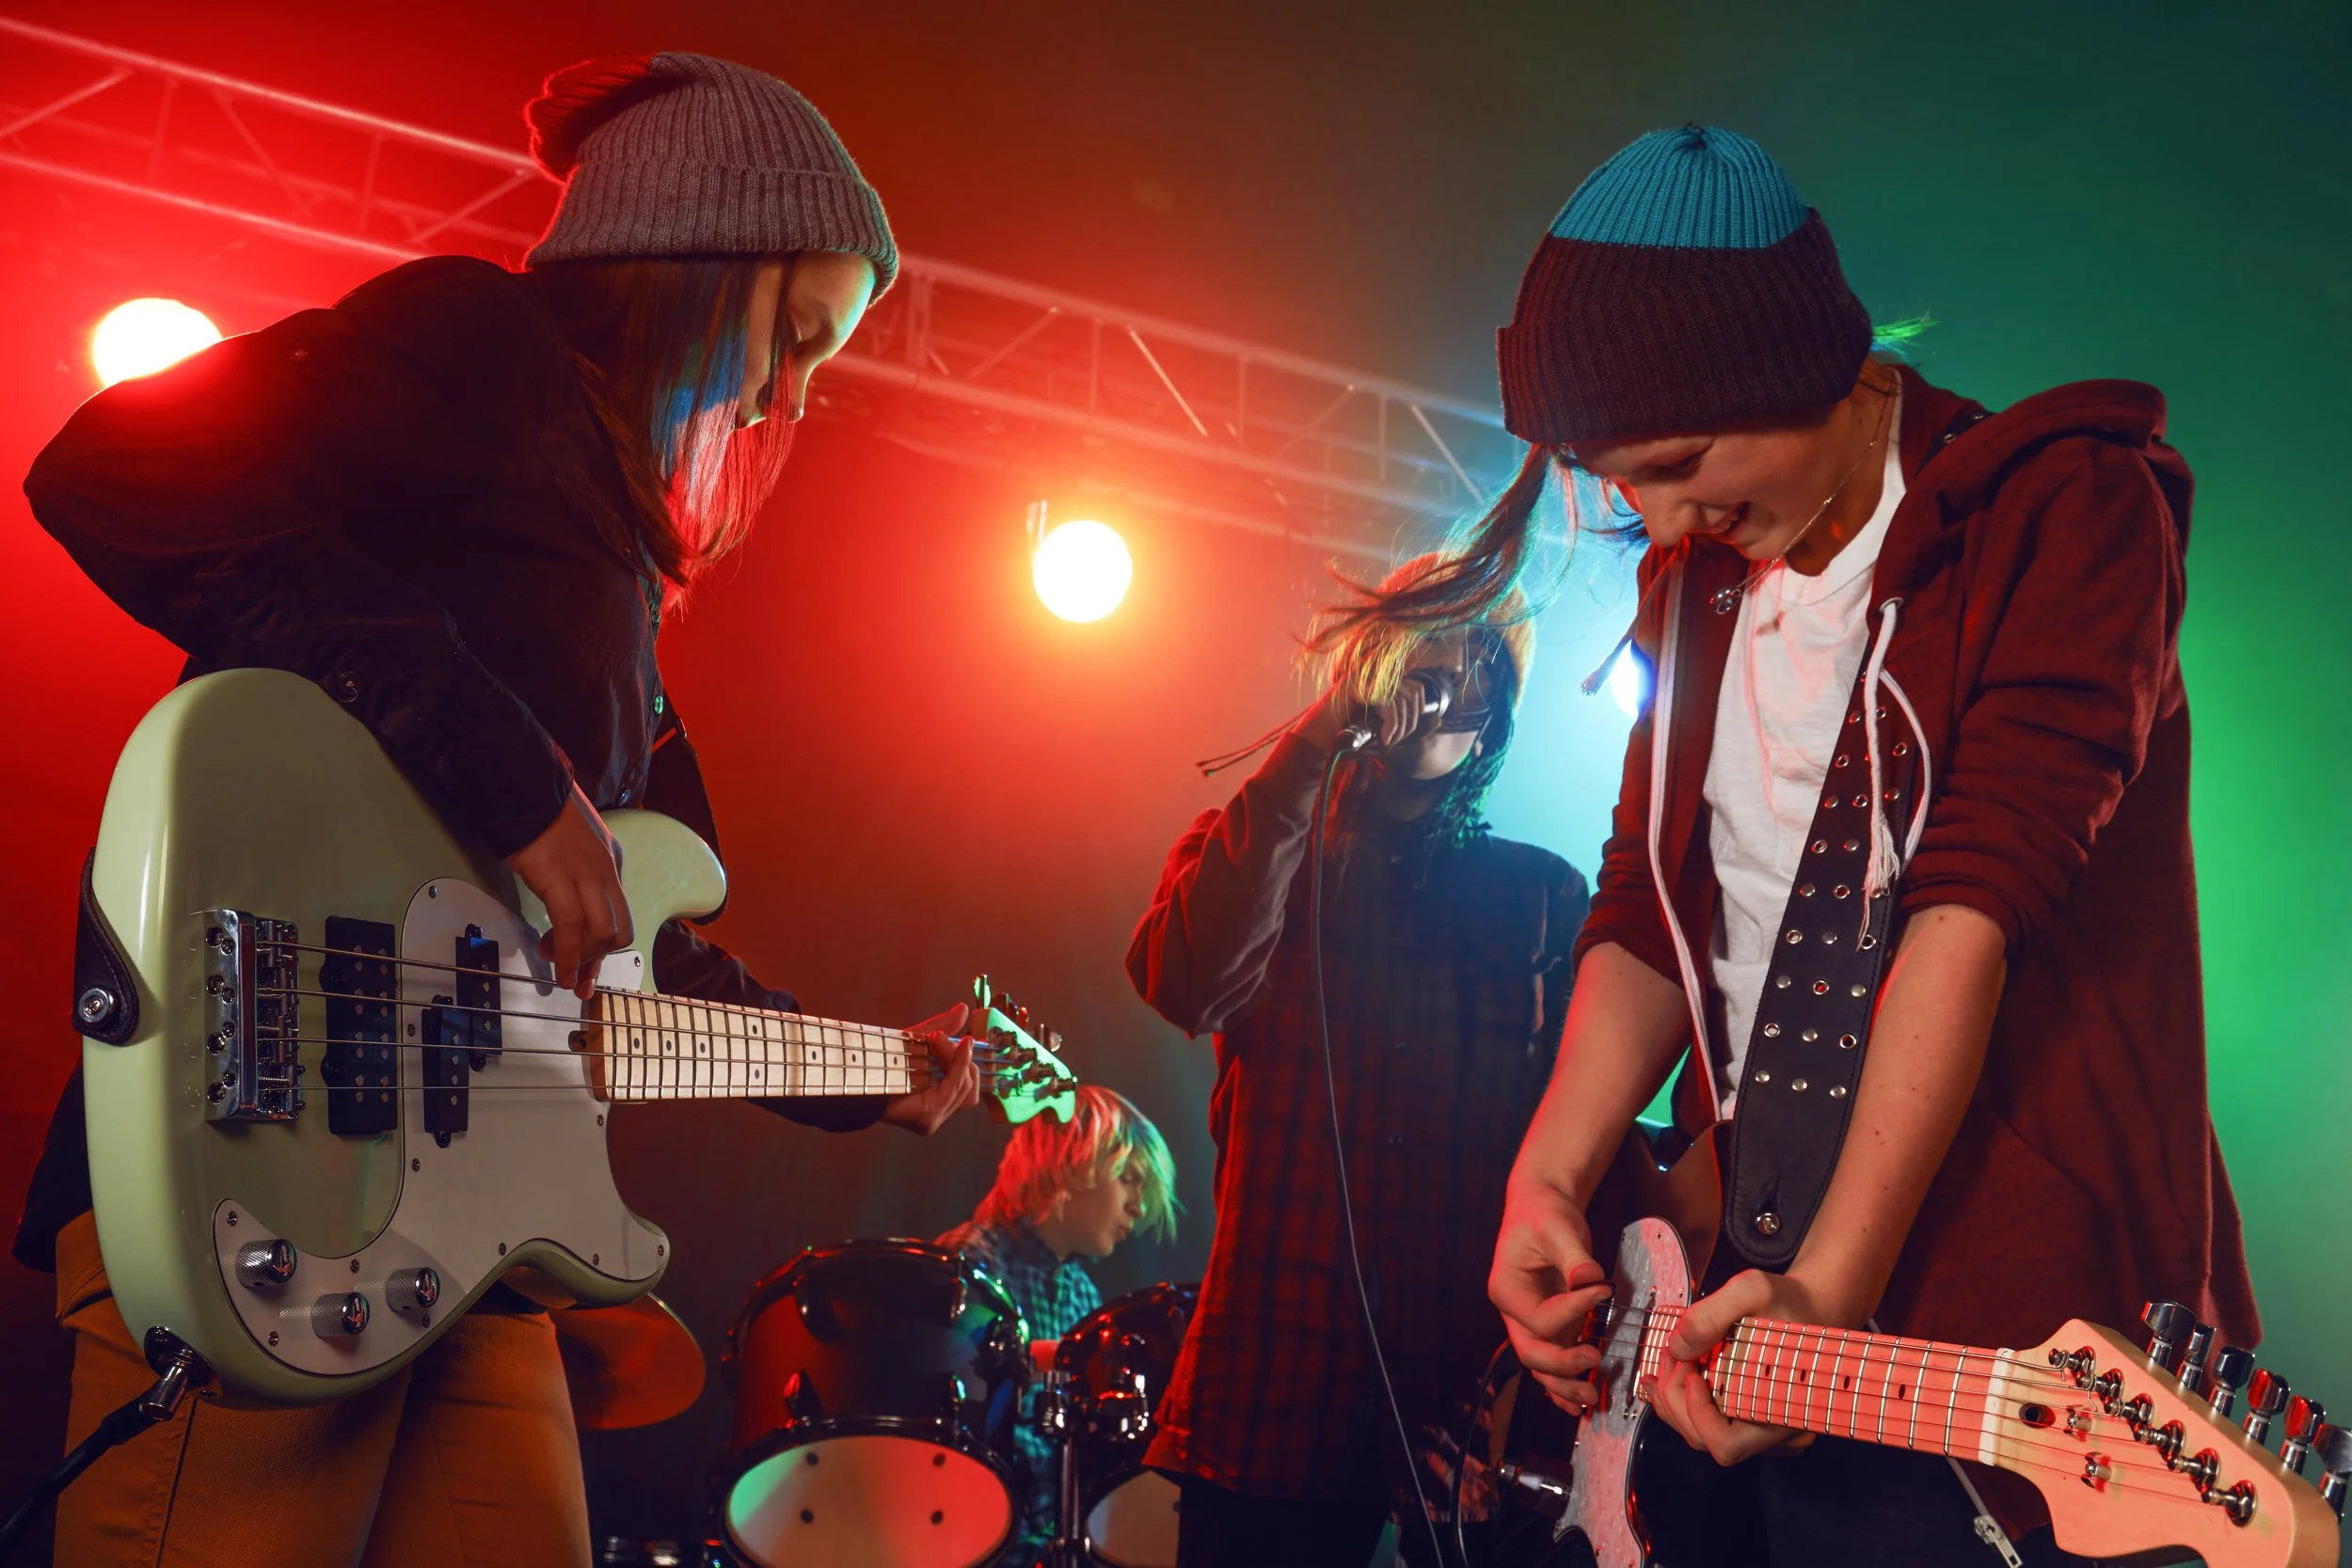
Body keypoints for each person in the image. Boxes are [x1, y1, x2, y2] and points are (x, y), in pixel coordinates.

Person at [17, 53, 986, 1567]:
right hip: (268, 1154)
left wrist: (876, 1070)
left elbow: (630, 957)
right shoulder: (474, 344)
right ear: (699, 256)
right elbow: (118, 467)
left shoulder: (619, 572)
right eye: (793, 332)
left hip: (475, 1257)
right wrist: (516, 776)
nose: (792, 392)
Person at [1343, 125, 2254, 1565]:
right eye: (1622, 481)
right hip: (1753, 1317)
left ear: (1796, 364)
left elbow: (1971, 901)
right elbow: (1650, 905)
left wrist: (1832, 1278)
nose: (1662, 516)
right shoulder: (1697, 587)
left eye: (1682, 462)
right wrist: (1552, 1176)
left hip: (2012, 1342)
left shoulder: (2064, 510)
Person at [1125, 557, 1590, 1568]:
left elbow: (1581, 1130)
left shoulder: (1541, 895)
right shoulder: (1249, 849)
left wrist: (1524, 1378)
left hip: (1475, 1388)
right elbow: (1186, 985)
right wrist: (1316, 741)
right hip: (1272, 1371)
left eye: (1465, 657)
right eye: (1410, 649)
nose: (1432, 680)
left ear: (1498, 705)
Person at [938, 1083, 1181, 1564]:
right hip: (977, 1539)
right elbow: (946, 1408)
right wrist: (1041, 1360)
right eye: (1129, 1179)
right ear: (1071, 1164)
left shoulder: (1082, 1293)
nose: (1140, 1206)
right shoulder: (969, 1266)